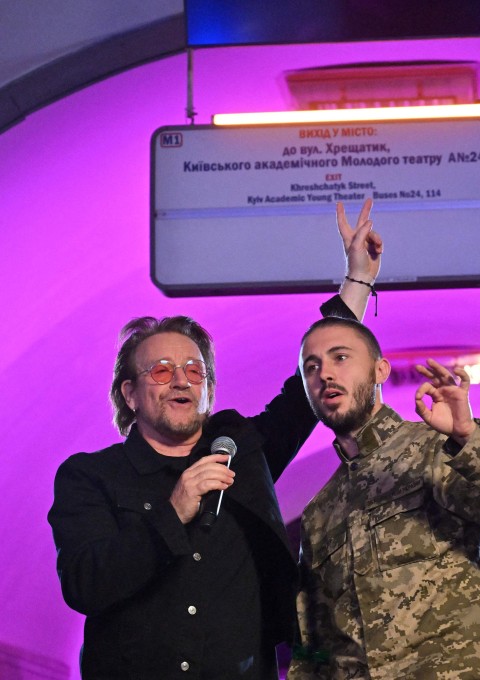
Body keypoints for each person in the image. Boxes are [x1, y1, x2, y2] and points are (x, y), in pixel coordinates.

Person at [48, 200, 382, 679]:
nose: (181, 381)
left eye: (194, 370)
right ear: (131, 393)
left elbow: (299, 396)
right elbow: (85, 583)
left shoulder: (243, 453)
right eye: (162, 371)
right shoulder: (90, 477)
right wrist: (173, 510)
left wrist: (357, 281)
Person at [287, 317, 480, 679]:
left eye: (340, 357)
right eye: (312, 366)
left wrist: (469, 439)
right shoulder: (320, 511)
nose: (324, 373)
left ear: (380, 370)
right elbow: (313, 648)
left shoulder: (436, 451)